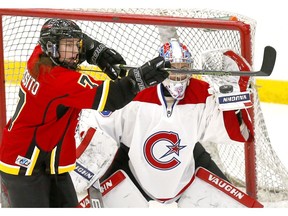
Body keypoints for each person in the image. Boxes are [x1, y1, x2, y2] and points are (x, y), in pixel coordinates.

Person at [0, 18, 168, 208]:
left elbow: (83, 42)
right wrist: (139, 79)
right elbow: (112, 98)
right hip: (24, 165)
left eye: (75, 45)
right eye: (68, 46)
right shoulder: (58, 80)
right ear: (52, 47)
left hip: (47, 160)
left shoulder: (40, 54)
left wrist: (97, 52)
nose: (75, 52)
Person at [73, 38, 260, 207]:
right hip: (131, 166)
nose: (178, 75)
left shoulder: (203, 93)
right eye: (173, 68)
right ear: (160, 69)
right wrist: (86, 169)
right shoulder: (136, 92)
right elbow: (103, 130)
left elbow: (238, 134)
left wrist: (233, 101)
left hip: (189, 165)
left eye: (183, 68)